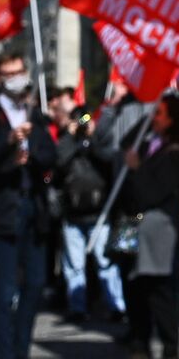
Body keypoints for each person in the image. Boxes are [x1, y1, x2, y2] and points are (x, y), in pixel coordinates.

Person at [0, 53, 57, 359]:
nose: (14, 79)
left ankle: (22, 351)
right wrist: (9, 144)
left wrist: (31, 156)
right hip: (5, 209)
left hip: (33, 208)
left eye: (18, 72)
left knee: (35, 283)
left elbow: (50, 155)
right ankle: (4, 356)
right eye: (7, 74)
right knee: (5, 286)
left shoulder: (34, 114)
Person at [110, 92, 179, 359]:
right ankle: (139, 348)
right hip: (129, 222)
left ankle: (170, 352)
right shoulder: (147, 142)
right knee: (131, 286)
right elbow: (125, 145)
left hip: (155, 227)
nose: (154, 118)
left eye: (159, 114)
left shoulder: (178, 153)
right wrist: (146, 121)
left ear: (172, 120)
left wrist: (137, 169)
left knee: (157, 289)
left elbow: (152, 191)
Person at [55, 96, 124, 323]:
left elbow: (107, 159)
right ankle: (77, 306)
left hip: (99, 213)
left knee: (106, 262)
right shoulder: (67, 142)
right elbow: (58, 162)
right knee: (75, 265)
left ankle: (116, 305)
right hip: (73, 213)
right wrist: (70, 136)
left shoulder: (97, 141)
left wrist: (91, 137)